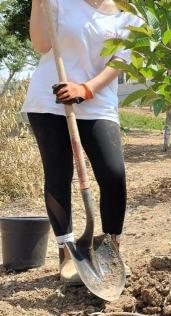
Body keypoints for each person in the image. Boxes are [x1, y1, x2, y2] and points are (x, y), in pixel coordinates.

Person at [22, 0, 139, 284]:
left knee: (113, 173)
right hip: (51, 99)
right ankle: (66, 251)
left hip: (98, 102)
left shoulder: (131, 14)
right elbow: (41, 44)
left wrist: (86, 89)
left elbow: (122, 60)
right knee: (59, 174)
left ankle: (111, 248)